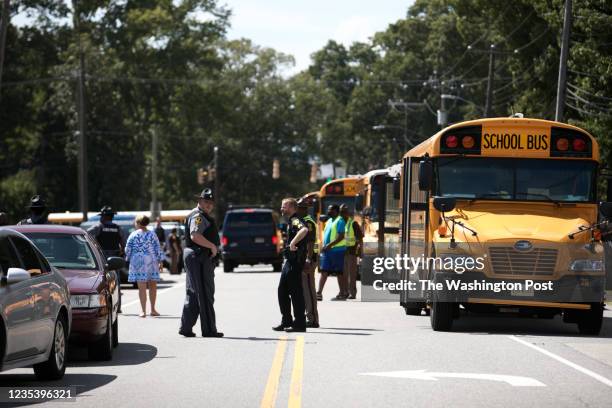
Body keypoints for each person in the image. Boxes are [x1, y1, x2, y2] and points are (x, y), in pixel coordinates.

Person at [179, 188, 223, 338]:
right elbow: (195, 235)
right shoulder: (198, 216)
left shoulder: (199, 215)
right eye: (206, 202)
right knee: (205, 293)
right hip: (199, 257)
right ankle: (209, 330)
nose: (209, 205)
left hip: (196, 256)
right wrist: (211, 246)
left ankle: (186, 327)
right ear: (199, 201)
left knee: (194, 292)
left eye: (211, 203)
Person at [273, 198, 309, 332]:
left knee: (296, 293)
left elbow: (304, 230)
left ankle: (299, 323)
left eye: (284, 206)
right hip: (290, 261)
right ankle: (287, 320)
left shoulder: (295, 220)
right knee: (282, 291)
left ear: (292, 208)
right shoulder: (291, 221)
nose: (282, 208)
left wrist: (293, 243)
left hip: (295, 262)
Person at [87, 206, 126, 312]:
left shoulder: (99, 227)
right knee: (115, 282)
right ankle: (118, 307)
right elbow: (123, 243)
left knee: (102, 282)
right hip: (115, 259)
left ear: (104, 217)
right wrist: (121, 253)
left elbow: (86, 235)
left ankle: (103, 306)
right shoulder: (118, 228)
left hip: (102, 259)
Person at [125, 215, 165, 318]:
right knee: (153, 286)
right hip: (152, 262)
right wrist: (160, 261)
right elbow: (158, 248)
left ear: (138, 223)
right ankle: (153, 309)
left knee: (141, 287)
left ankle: (143, 311)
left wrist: (128, 258)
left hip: (138, 263)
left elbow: (127, 249)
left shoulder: (133, 235)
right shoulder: (152, 234)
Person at [296, 198, 319, 328]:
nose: (296, 209)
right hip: (305, 259)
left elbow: (310, 243)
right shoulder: (302, 222)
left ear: (303, 209)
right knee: (305, 290)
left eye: (298, 207)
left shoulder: (308, 223)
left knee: (309, 290)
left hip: (309, 260)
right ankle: (309, 317)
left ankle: (313, 320)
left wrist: (308, 259)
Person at [317, 204, 347, 301]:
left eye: (330, 210)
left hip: (337, 251)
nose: (328, 211)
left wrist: (329, 245)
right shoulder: (329, 221)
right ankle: (319, 293)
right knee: (324, 271)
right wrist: (324, 246)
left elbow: (341, 236)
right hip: (327, 251)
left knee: (339, 273)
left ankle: (342, 293)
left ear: (336, 211)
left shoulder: (340, 221)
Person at [340, 204, 363, 299]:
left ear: (348, 213)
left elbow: (360, 238)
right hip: (345, 252)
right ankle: (345, 292)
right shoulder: (344, 224)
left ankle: (352, 293)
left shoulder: (353, 223)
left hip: (352, 253)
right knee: (344, 274)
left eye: (344, 212)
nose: (342, 214)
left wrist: (360, 252)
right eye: (341, 212)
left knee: (351, 275)